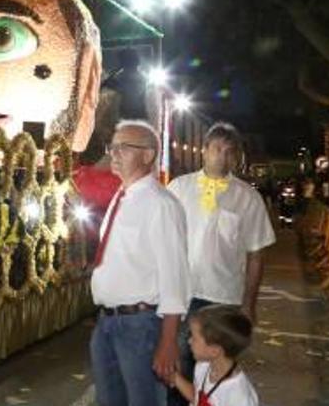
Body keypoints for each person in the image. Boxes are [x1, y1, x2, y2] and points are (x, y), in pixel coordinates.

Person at [167, 122, 274, 406]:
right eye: (216, 149)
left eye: (229, 151)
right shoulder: (179, 188)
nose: (222, 157)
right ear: (204, 151)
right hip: (181, 295)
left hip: (223, 301)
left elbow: (256, 254)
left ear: (236, 156)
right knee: (176, 366)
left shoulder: (248, 199)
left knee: (215, 373)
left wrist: (248, 305)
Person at [90, 120, 190, 406]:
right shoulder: (121, 197)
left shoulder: (161, 204)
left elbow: (175, 277)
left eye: (124, 148)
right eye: (112, 147)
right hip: (107, 322)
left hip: (140, 325)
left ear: (148, 155)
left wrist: (168, 341)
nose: (114, 154)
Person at [169, 304, 259, 406]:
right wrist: (175, 377)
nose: (189, 341)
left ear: (214, 351)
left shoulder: (238, 394)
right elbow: (197, 398)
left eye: (194, 338)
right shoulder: (203, 366)